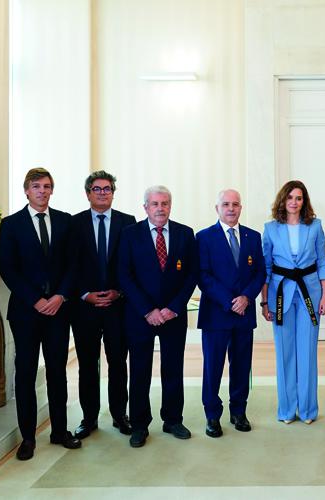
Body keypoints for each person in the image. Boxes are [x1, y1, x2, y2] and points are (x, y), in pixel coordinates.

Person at [0, 167, 81, 460]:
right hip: (26, 313)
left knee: (58, 372)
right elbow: (8, 269)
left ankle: (59, 431)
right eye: (36, 186)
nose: (42, 191)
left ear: (51, 190)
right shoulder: (11, 225)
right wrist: (35, 299)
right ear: (26, 190)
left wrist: (60, 296)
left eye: (47, 186)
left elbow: (74, 264)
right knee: (25, 373)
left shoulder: (65, 222)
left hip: (59, 311)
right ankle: (29, 438)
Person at [118, 185, 198, 448]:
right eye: (154, 204)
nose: (160, 208)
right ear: (145, 207)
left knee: (173, 368)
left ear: (170, 206)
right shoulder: (130, 235)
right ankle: (140, 425)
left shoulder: (185, 234)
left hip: (173, 315)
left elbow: (191, 276)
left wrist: (173, 307)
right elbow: (124, 276)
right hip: (140, 316)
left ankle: (173, 419)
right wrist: (148, 310)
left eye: (165, 203)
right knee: (139, 370)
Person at [69, 171, 136, 440]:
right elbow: (69, 265)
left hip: (118, 306)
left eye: (107, 189)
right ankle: (89, 417)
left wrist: (119, 292)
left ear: (113, 193)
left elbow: (131, 264)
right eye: (96, 189)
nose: (102, 193)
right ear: (88, 193)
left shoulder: (128, 223)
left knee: (119, 362)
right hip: (84, 307)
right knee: (87, 364)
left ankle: (120, 415)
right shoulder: (73, 224)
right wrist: (84, 294)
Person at [196, 189, 265, 437]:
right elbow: (203, 276)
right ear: (217, 208)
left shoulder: (253, 237)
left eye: (236, 204)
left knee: (241, 367)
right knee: (213, 367)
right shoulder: (204, 238)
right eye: (226, 204)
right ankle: (212, 415)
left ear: (241, 208)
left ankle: (239, 411)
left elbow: (260, 273)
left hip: (244, 314)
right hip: (216, 314)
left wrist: (246, 297)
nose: (231, 208)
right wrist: (229, 301)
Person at [261, 181, 325, 424]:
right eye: (290, 197)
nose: (294, 202)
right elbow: (266, 268)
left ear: (304, 202)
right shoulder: (270, 229)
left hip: (309, 294)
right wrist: (264, 302)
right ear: (283, 199)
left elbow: (323, 261)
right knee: (285, 353)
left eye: (299, 198)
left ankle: (309, 410)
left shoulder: (315, 226)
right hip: (281, 295)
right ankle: (287, 410)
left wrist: (324, 296)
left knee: (307, 352)